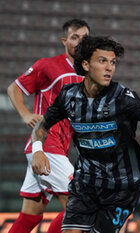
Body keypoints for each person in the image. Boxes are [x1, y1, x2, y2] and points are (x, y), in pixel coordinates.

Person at [31, 35, 140, 233]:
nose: (109, 68)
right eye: (102, 61)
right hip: (85, 184)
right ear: (86, 65)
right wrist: (37, 149)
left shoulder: (122, 98)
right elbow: (41, 126)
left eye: (113, 62)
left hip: (120, 189)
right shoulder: (68, 96)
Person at [7, 19, 90, 233]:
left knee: (30, 216)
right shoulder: (48, 65)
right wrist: (26, 115)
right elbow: (13, 89)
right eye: (75, 37)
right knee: (79, 205)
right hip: (44, 145)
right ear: (64, 41)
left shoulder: (89, 74)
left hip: (58, 148)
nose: (81, 42)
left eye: (85, 38)